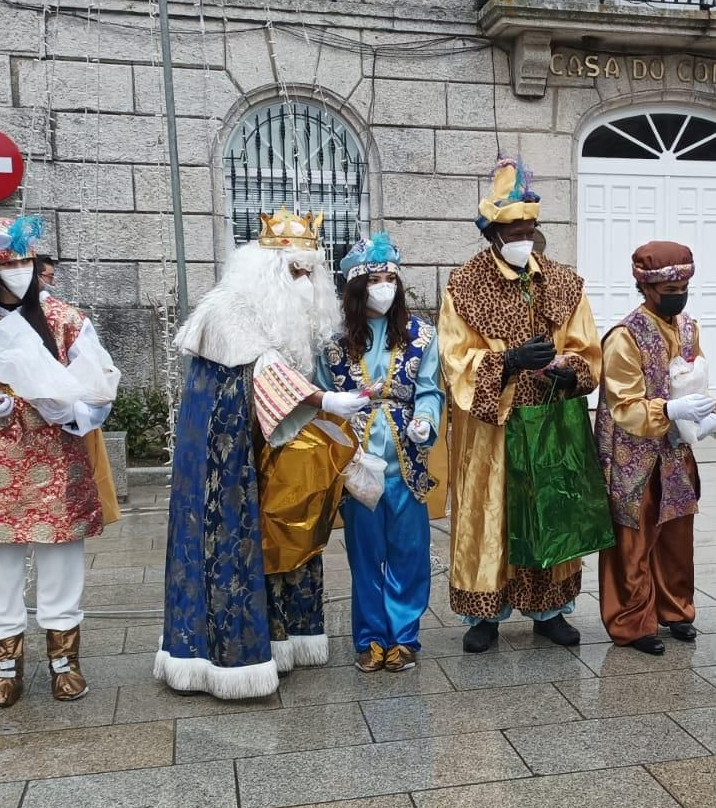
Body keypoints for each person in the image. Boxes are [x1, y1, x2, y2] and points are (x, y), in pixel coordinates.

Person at [157, 209, 356, 698]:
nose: (306, 284)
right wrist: (324, 402)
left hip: (265, 450)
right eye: (295, 272)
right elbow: (264, 369)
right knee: (236, 539)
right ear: (265, 272)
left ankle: (285, 637)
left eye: (311, 272)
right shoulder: (226, 309)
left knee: (281, 534)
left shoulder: (281, 318)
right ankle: (227, 659)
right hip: (225, 459)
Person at [0, 215, 120, 709]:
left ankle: (64, 661)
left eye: (25, 261)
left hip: (56, 454)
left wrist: (76, 409)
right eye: (9, 262)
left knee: (61, 562)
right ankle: (5, 664)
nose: (19, 270)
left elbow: (100, 381)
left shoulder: (66, 318)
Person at [439, 159, 602, 653]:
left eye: (530, 228)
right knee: (492, 514)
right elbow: (455, 358)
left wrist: (564, 366)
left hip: (548, 420)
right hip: (492, 428)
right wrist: (506, 361)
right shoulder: (463, 286)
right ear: (493, 231)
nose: (523, 237)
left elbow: (587, 351)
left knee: (547, 510)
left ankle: (548, 611)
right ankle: (484, 615)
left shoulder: (563, 282)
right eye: (514, 229)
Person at [317, 233, 443, 673]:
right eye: (375, 278)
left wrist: (426, 417)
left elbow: (429, 389)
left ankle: (404, 637)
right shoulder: (332, 343)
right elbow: (323, 403)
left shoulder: (421, 335)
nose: (385, 286)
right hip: (357, 466)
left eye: (391, 277)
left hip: (406, 460)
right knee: (365, 554)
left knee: (409, 551)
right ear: (356, 285)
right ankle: (370, 637)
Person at [595, 241, 716, 654]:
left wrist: (708, 412)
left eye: (683, 287)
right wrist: (669, 408)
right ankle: (633, 623)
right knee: (635, 540)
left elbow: (694, 376)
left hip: (675, 450)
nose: (678, 296)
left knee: (676, 534)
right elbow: (624, 407)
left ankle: (675, 610)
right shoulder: (623, 337)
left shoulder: (689, 327)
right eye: (669, 291)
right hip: (632, 455)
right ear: (646, 288)